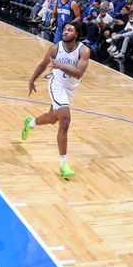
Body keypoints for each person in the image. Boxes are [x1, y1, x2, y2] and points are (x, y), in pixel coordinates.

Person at [21, 21, 91, 180]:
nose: (66, 32)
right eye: (65, 29)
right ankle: (63, 164)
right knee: (65, 120)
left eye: (70, 30)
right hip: (56, 84)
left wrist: (59, 65)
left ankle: (30, 123)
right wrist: (32, 80)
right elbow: (43, 64)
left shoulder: (84, 51)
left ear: (77, 34)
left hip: (71, 88)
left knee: (52, 119)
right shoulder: (55, 48)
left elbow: (79, 73)